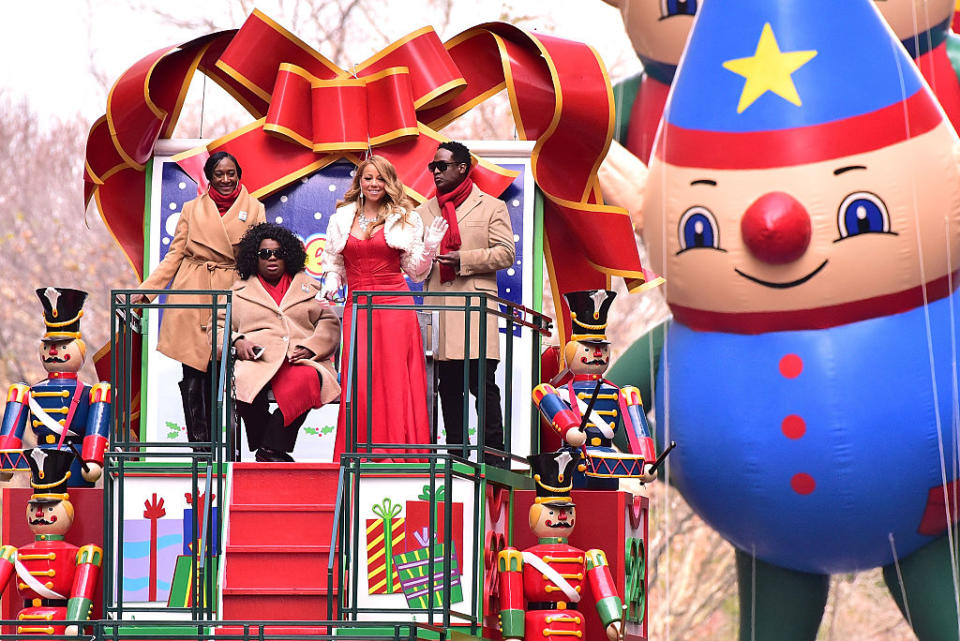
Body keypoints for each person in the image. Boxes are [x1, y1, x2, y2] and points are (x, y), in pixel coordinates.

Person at [132, 152, 266, 447]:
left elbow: (258, 259)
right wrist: (148, 290)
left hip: (231, 290)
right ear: (209, 176)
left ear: (239, 174)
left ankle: (228, 449)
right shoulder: (192, 209)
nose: (226, 179)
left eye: (231, 173)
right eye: (219, 174)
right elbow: (175, 255)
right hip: (192, 292)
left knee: (228, 373)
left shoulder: (255, 209)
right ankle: (200, 447)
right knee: (193, 373)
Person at [319, 155, 447, 461]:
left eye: (380, 178)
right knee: (360, 379)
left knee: (393, 379)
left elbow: (416, 271)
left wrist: (430, 247)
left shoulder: (405, 217)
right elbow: (335, 263)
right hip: (358, 306)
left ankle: (395, 452)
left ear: (389, 182)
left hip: (394, 306)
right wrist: (332, 281)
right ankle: (359, 452)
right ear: (359, 183)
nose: (374, 183)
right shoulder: (341, 218)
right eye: (368, 178)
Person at [416, 141, 516, 466]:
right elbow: (415, 264)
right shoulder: (422, 212)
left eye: (442, 166)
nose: (436, 172)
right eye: (433, 166)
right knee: (448, 387)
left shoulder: (491, 206)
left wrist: (464, 260)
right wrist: (426, 254)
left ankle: (492, 452)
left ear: (462, 168)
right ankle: (457, 452)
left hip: (475, 312)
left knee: (483, 385)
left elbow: (506, 253)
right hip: (441, 312)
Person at [220, 223, 341, 462]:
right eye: (264, 253)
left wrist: (311, 347)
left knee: (309, 380)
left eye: (279, 253)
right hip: (257, 359)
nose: (272, 258)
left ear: (289, 256)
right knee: (242, 384)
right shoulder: (237, 291)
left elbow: (329, 323)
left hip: (299, 359)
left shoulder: (310, 287)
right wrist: (238, 341)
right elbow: (217, 327)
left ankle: (270, 448)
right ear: (254, 258)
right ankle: (270, 448)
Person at [0, 288, 110, 486]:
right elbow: (12, 431)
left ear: (79, 349)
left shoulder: (93, 392)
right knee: (43, 501)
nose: (53, 351)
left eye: (62, 346)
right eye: (49, 346)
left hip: (75, 461)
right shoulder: (24, 392)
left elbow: (96, 427)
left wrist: (93, 459)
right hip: (40, 460)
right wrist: (5, 460)